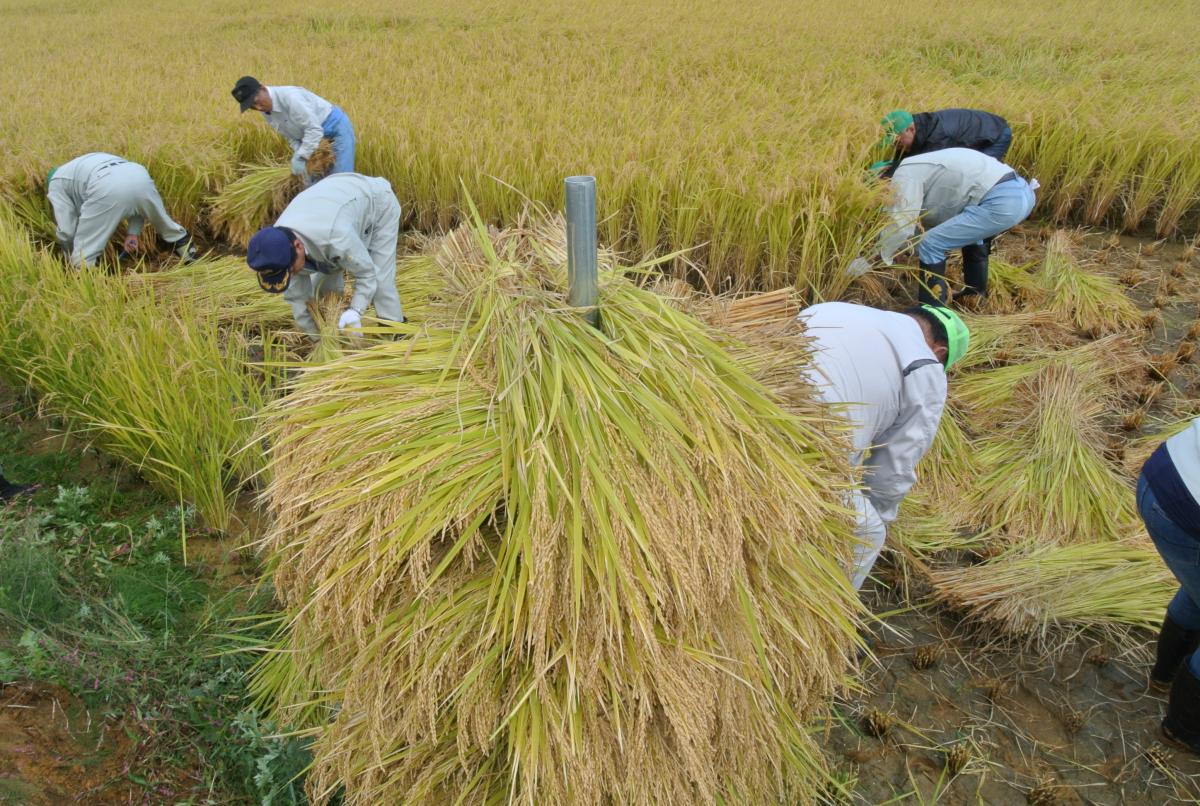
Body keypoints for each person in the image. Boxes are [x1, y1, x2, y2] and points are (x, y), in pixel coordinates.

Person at [798, 301, 969, 590]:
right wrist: (880, 514)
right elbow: (893, 468)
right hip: (812, 444)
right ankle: (833, 624)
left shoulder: (834, 308)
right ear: (940, 353)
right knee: (866, 533)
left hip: (748, 401)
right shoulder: (926, 367)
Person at [855, 148, 1037, 306]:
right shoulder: (923, 167)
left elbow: (901, 224)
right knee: (971, 236)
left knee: (931, 244)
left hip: (1001, 200)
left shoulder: (905, 173)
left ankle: (932, 312)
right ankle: (974, 296)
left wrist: (874, 258)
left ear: (884, 180)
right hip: (1021, 193)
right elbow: (924, 220)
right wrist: (904, 248)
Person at [245, 173, 404, 336]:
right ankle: (333, 330)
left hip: (376, 202)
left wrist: (356, 311)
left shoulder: (336, 238)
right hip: (330, 203)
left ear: (298, 246)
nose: (291, 274)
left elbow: (367, 274)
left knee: (380, 279)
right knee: (325, 289)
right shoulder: (278, 246)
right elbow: (299, 300)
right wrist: (318, 340)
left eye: (290, 270)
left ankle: (395, 331)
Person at [1138, 419, 1200, 754]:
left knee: (1197, 591)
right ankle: (1184, 729)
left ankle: (1165, 675)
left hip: (1162, 470)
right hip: (1189, 512)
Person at [46, 153, 198, 268]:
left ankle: (89, 292)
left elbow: (67, 230)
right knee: (166, 225)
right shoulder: (82, 163)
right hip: (138, 173)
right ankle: (194, 263)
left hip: (105, 182)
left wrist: (68, 253)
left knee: (84, 254)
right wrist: (133, 233)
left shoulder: (56, 182)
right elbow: (134, 200)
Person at [231, 76, 355, 182]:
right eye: (252, 106)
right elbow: (290, 136)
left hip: (334, 129)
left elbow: (314, 129)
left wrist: (302, 156)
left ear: (263, 88)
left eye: (256, 101)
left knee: (339, 180)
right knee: (312, 184)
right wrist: (299, 153)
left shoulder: (291, 98)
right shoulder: (266, 112)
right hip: (310, 139)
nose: (258, 107)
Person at [880, 108, 1012, 167]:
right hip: (976, 130)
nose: (896, 146)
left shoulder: (936, 139)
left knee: (977, 172)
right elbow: (906, 161)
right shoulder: (920, 127)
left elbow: (923, 167)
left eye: (897, 142)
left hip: (995, 134)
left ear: (911, 129)